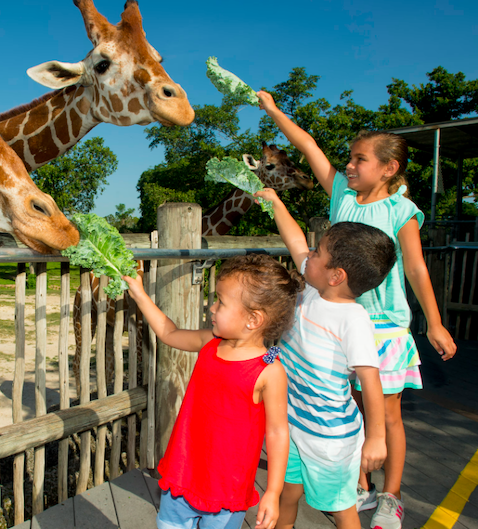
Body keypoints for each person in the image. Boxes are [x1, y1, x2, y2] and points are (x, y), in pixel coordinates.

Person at [258, 89, 458, 529]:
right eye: (349, 157)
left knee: (384, 415)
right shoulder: (342, 198)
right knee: (344, 403)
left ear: (389, 168)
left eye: (359, 159)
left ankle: (392, 494)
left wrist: (435, 323)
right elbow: (308, 145)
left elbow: (417, 268)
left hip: (383, 326)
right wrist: (273, 111)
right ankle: (359, 484)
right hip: (337, 318)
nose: (349, 165)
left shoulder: (402, 210)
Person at [123, 254, 302, 529]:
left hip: (226, 491)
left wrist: (273, 492)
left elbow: (278, 432)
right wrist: (139, 293)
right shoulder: (211, 342)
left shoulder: (269, 371)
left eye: (221, 302)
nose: (212, 308)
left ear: (253, 319)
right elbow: (168, 333)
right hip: (183, 473)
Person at [256, 187, 395, 529]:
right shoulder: (312, 287)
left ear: (336, 276)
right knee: (287, 493)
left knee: (340, 507)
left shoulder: (353, 320)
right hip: (292, 421)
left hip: (330, 437)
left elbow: (371, 381)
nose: (308, 255)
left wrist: (376, 437)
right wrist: (276, 204)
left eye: (317, 252)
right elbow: (294, 239)